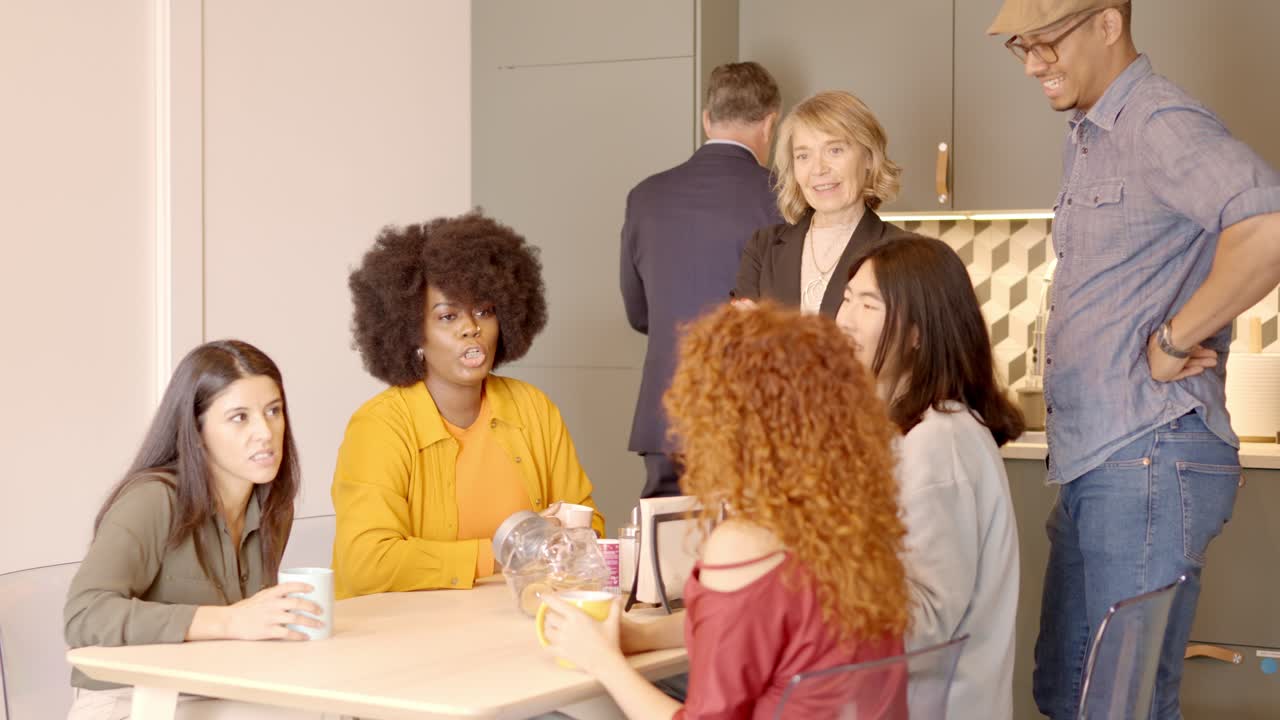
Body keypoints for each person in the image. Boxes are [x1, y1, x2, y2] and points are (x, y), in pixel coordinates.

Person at [986, 1, 1280, 717]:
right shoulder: (1090, 133)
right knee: (1067, 691)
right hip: (1104, 458)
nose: (1032, 64)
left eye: (1046, 43)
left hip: (1148, 451)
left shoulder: (1155, 120)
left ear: (1108, 25)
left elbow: (1268, 229)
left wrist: (1175, 339)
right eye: (1022, 47)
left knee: (1125, 703)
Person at [541, 302, 910, 719]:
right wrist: (638, 637)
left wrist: (603, 662)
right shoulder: (851, 531)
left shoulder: (744, 544)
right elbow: (754, 628)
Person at [333, 211, 604, 599]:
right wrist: (506, 551)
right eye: (448, 316)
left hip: (513, 624)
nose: (470, 328)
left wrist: (574, 534)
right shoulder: (380, 425)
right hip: (405, 636)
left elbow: (589, 528)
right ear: (413, 333)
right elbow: (366, 563)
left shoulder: (534, 409)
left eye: (484, 311)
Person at [64, 340, 322, 720]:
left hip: (213, 690)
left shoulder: (270, 508)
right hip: (129, 701)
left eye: (273, 411)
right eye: (239, 417)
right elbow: (83, 617)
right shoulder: (153, 500)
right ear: (197, 430)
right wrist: (230, 620)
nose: (265, 432)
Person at [837, 237, 1024, 720]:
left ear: (918, 332)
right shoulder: (917, 431)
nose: (845, 319)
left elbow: (921, 625)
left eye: (868, 304)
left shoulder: (938, 443)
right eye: (847, 299)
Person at [621, 61, 783, 499]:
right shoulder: (785, 195)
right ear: (770, 123)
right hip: (748, 417)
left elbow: (639, 313)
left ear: (707, 119)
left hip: (665, 414)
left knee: (664, 556)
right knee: (745, 556)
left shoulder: (646, 196)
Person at [733, 90, 920, 317]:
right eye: (803, 156)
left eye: (835, 150)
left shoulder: (906, 254)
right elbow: (738, 345)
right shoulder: (763, 248)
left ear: (869, 157)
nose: (819, 169)